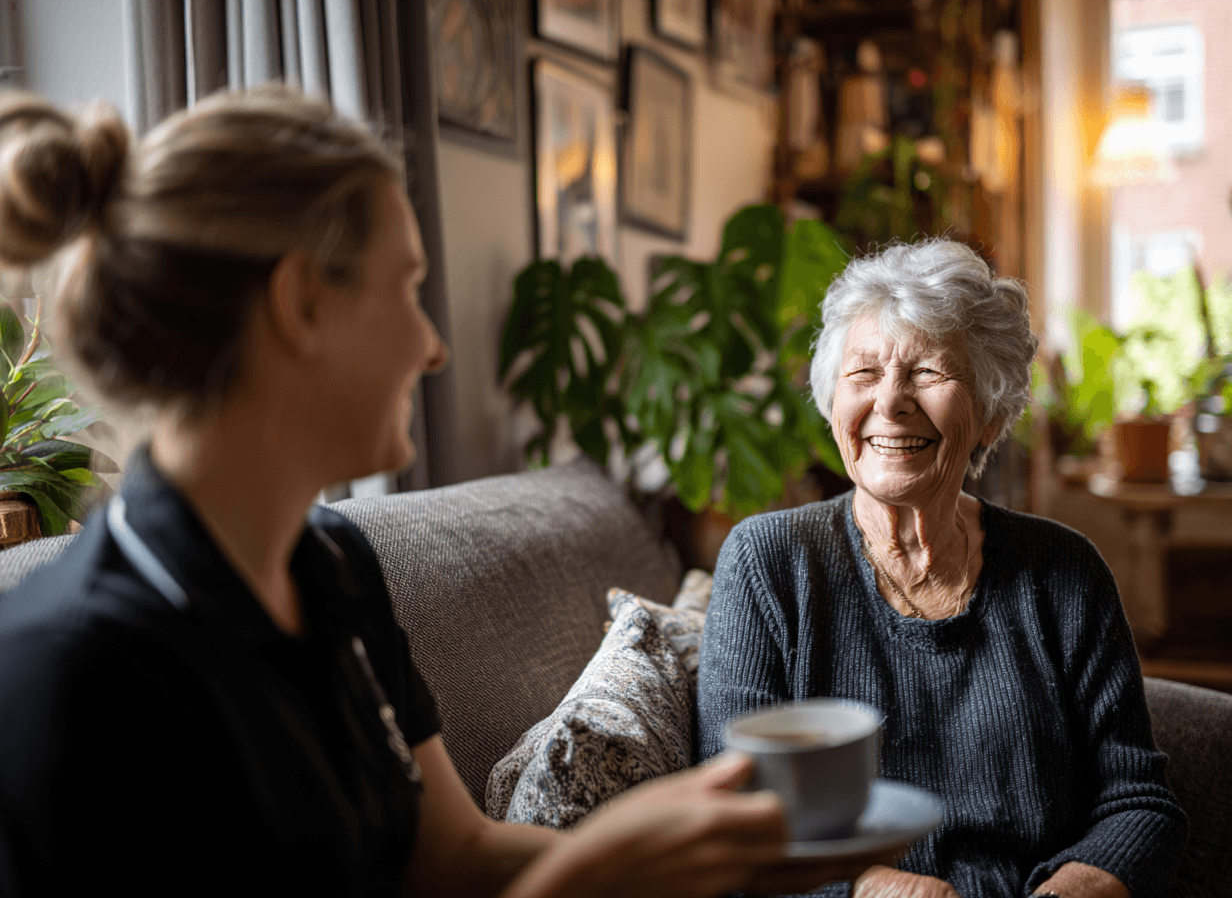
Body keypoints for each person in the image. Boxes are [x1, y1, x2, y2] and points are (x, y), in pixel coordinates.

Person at [0, 85, 896, 898]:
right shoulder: (68, 672)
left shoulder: (331, 568)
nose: (433, 346)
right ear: (302, 303)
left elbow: (452, 859)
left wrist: (681, 840)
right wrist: (585, 877)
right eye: (410, 288)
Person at [696, 240, 1188, 898]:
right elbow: (735, 810)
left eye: (928, 372)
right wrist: (874, 889)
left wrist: (1074, 889)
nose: (892, 402)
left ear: (989, 414)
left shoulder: (1064, 573)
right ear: (831, 403)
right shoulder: (769, 564)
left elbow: (1138, 803)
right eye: (863, 374)